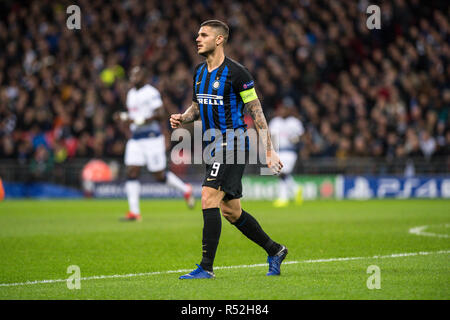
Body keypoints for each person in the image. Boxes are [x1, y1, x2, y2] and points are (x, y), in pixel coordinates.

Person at [170, 20, 288, 279]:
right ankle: (275, 249)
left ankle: (206, 267)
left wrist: (269, 150)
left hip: (232, 142)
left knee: (207, 197)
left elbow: (256, 112)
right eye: (197, 34)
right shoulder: (199, 72)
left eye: (203, 35)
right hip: (211, 144)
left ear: (219, 39)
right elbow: (197, 108)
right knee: (231, 211)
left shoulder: (238, 74)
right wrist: (183, 117)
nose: (197, 38)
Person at [114, 66, 195, 221]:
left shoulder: (151, 93)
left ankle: (185, 189)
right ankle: (134, 212)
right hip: (136, 139)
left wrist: (140, 120)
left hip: (152, 138)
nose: (133, 78)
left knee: (159, 175)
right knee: (131, 171)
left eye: (136, 75)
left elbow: (160, 114)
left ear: (144, 77)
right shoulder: (131, 94)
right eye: (131, 75)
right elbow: (134, 115)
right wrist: (124, 117)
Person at [269, 97, 304, 207]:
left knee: (282, 173)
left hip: (289, 151)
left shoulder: (295, 122)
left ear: (290, 110)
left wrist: (295, 139)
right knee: (281, 174)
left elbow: (301, 137)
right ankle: (295, 189)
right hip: (278, 151)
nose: (283, 110)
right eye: (282, 108)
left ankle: (283, 198)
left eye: (286, 108)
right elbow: (271, 138)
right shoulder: (275, 122)